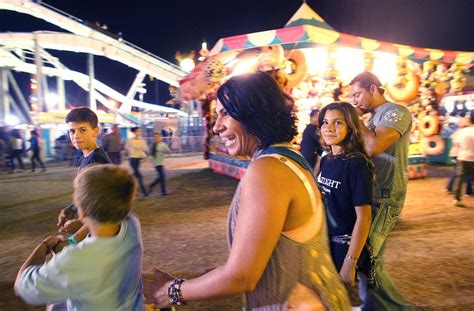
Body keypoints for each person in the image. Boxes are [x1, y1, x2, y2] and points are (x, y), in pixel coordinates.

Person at [143, 72, 350, 310]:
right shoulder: (287, 159)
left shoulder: (268, 170)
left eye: (225, 114)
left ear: (254, 112)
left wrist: (172, 291)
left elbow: (242, 276)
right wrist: (204, 279)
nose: (217, 127)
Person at [14, 164, 145, 310]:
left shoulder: (74, 261)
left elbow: (22, 287)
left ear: (82, 213)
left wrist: (45, 245)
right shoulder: (132, 224)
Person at [350, 72, 415, 310]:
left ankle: (398, 308)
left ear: (374, 89)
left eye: (357, 94)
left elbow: (374, 146)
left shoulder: (396, 112)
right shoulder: (371, 118)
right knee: (366, 255)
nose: (355, 100)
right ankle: (372, 305)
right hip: (369, 193)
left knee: (367, 257)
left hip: (385, 194)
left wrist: (353, 118)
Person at [316, 102, 373, 303]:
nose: (329, 128)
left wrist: (350, 262)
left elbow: (364, 217)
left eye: (338, 122)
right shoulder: (326, 159)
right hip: (324, 244)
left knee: (339, 302)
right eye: (325, 122)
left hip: (344, 246)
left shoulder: (357, 164)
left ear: (350, 127)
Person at [56, 107, 111, 244]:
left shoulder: (96, 161)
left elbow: (105, 207)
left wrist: (75, 236)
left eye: (83, 130)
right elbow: (88, 194)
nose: (76, 136)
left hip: (100, 237)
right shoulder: (84, 158)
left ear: (96, 131)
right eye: (72, 131)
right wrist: (72, 208)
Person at [452, 110, 474, 207]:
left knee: (459, 178)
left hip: (462, 156)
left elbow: (456, 144)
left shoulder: (462, 131)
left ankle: (456, 199)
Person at [127, 127, 149, 197]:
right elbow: (127, 148)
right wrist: (128, 151)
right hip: (132, 159)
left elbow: (145, 148)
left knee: (134, 176)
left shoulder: (142, 140)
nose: (139, 132)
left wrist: (145, 156)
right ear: (134, 132)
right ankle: (144, 192)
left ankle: (127, 188)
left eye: (140, 131)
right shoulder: (130, 140)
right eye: (138, 131)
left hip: (138, 159)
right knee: (139, 176)